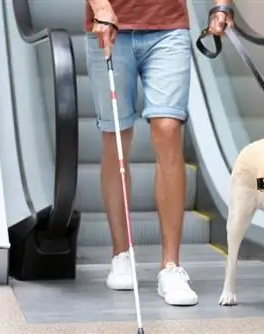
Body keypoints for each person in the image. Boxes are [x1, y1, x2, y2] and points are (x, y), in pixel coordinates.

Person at [85, 0, 233, 306]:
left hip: (168, 29)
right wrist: (99, 6)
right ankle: (121, 254)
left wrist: (221, 6)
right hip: (108, 26)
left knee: (168, 129)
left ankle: (171, 266)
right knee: (115, 136)